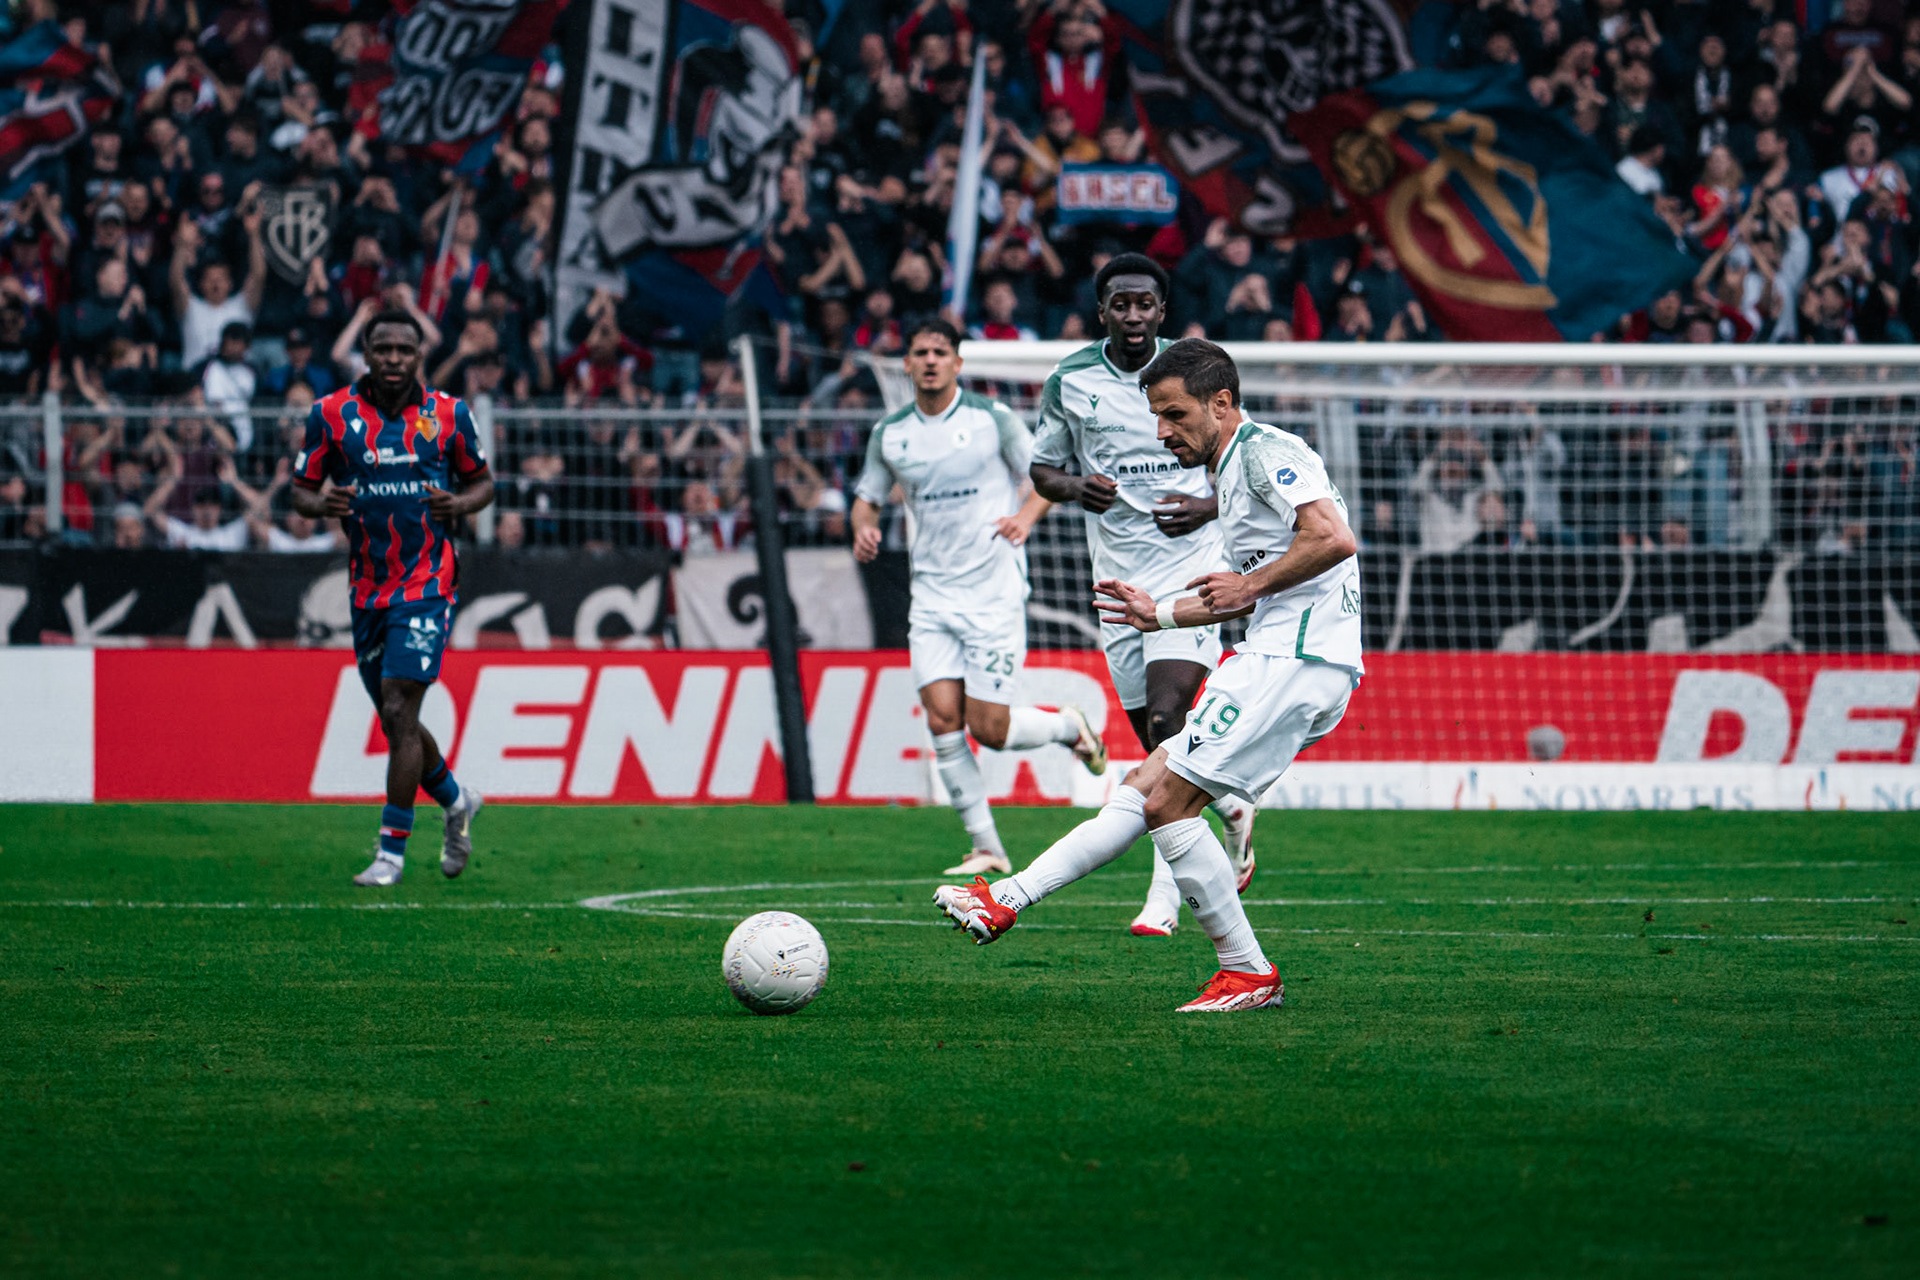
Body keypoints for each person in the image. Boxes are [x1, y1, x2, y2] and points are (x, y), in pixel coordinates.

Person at [935, 339, 1362, 1013]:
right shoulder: (1227, 467)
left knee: (1167, 803)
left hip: (1295, 659)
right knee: (1143, 784)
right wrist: (1156, 614)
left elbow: (1333, 537)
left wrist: (1251, 584)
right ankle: (1005, 900)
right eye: (1156, 416)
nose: (1162, 431)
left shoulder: (1266, 451)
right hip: (1282, 657)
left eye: (1174, 414)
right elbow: (1228, 593)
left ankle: (1247, 973)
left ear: (1221, 404)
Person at [1028, 253, 1255, 937]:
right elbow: (1043, 470)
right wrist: (1075, 488)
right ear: (1102, 310)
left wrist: (1207, 509)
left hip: (1190, 571)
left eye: (1145, 304)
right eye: (1120, 304)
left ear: (1163, 309)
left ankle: (1165, 901)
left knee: (1165, 724)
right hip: (1116, 582)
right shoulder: (1070, 380)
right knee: (1162, 751)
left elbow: (1245, 460)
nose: (1133, 316)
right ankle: (1232, 808)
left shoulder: (1198, 370)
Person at [850, 318, 1105, 876]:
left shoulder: (992, 420)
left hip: (992, 592)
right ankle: (987, 845)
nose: (932, 360)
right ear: (909, 365)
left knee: (989, 729)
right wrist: (863, 528)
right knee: (942, 719)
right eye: (921, 352)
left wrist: (1024, 517)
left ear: (958, 363)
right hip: (933, 597)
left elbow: (1046, 474)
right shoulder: (890, 433)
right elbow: (867, 497)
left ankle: (1068, 726)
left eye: (942, 352)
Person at [289, 309, 494, 887]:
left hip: (429, 582)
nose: (395, 360)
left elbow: (482, 482)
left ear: (418, 356)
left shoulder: (448, 415)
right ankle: (456, 801)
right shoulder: (331, 415)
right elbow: (300, 492)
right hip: (367, 588)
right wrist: (323, 502)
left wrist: (461, 504)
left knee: (402, 709)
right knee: (394, 717)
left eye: (406, 350)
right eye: (384, 350)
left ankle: (391, 852)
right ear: (368, 353)